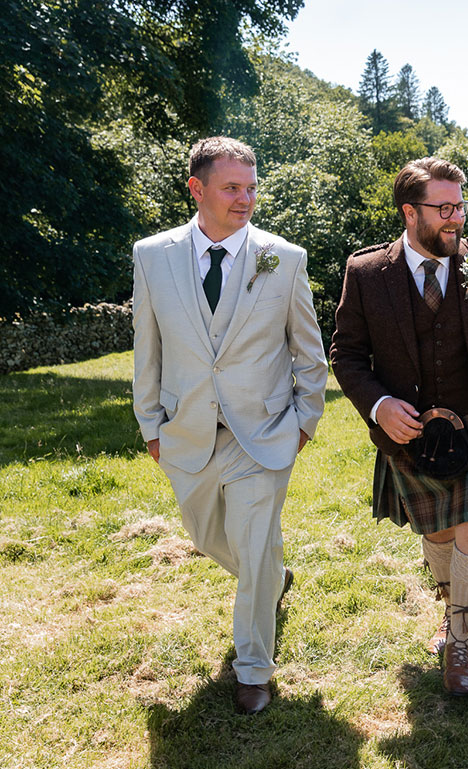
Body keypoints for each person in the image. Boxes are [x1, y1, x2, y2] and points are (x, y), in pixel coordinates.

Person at [132, 136, 327, 714]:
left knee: (254, 540)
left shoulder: (283, 258)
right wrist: (151, 425)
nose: (245, 199)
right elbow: (147, 345)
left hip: (264, 434)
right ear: (197, 188)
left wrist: (304, 422)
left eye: (251, 188)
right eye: (232, 188)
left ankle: (253, 670)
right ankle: (271, 578)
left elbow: (309, 352)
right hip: (185, 429)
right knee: (207, 538)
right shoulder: (152, 255)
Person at [329, 157, 468, 697]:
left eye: (460, 205)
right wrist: (378, 405)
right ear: (410, 212)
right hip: (412, 434)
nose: (456, 217)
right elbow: (347, 354)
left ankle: (459, 637)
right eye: (444, 208)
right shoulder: (367, 273)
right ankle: (451, 604)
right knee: (438, 532)